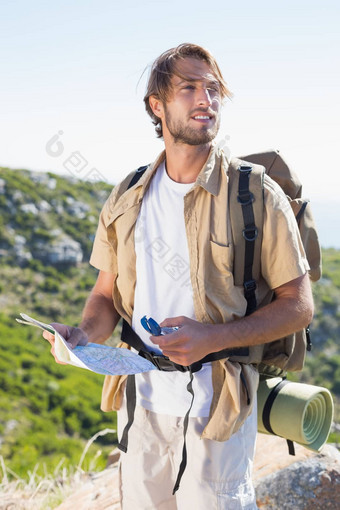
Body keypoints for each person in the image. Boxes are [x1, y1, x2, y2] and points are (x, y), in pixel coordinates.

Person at [43, 43, 314, 509]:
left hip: (219, 409)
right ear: (157, 105)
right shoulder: (128, 196)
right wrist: (82, 336)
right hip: (140, 407)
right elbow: (106, 295)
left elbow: (299, 306)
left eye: (213, 89)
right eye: (188, 88)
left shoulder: (254, 195)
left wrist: (214, 337)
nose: (205, 99)